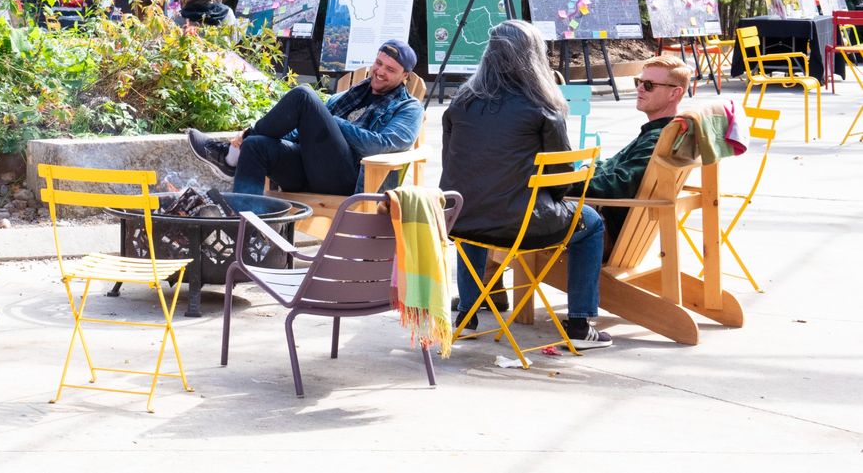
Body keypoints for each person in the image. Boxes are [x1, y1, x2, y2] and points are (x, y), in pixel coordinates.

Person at [439, 20, 610, 349]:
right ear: (535, 57)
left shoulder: (460, 103)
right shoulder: (544, 107)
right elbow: (561, 178)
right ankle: (579, 323)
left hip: (460, 220)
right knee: (591, 221)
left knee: (474, 208)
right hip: (521, 225)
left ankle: (467, 312)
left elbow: (453, 167)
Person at [187, 40, 423, 196]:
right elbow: (302, 129)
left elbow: (382, 146)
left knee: (304, 96)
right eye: (379, 63)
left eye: (390, 69)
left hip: (351, 180)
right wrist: (254, 136)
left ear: (405, 76)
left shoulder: (409, 107)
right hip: (310, 170)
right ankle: (247, 230)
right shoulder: (349, 95)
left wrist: (332, 122)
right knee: (256, 145)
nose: (380, 71)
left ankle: (229, 157)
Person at [586, 54, 689, 248]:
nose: (640, 88)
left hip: (604, 230)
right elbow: (620, 170)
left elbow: (620, 183)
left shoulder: (659, 138)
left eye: (649, 85)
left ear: (674, 93)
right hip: (617, 226)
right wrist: (588, 169)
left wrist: (561, 185)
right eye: (638, 82)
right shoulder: (664, 132)